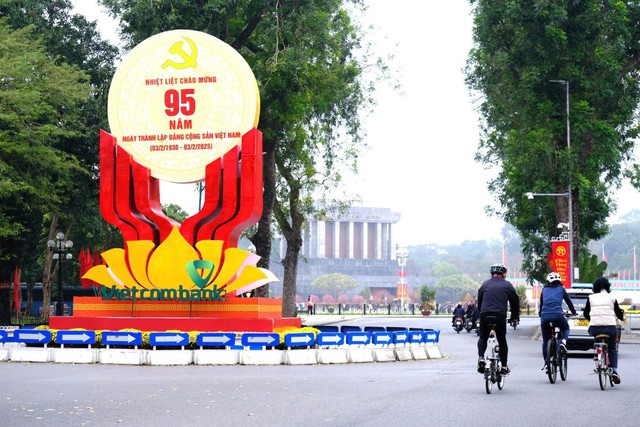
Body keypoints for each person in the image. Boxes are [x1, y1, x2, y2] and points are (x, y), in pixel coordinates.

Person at [476, 263, 520, 375]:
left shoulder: (484, 284)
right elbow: (515, 302)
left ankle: (481, 357)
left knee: (483, 337)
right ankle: (504, 366)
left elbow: (479, 301)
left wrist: (481, 314)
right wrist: (514, 317)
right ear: (504, 274)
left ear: (492, 274)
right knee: (502, 340)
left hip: (485, 315)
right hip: (499, 316)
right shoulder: (507, 285)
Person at [583, 277, 624, 384]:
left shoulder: (591, 297)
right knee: (612, 349)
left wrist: (592, 320)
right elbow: (619, 313)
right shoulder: (612, 298)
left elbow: (585, 313)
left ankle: (598, 353)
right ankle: (614, 371)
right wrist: (621, 316)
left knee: (596, 338)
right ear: (608, 287)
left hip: (595, 328)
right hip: (610, 328)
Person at [539, 271, 577, 371]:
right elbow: (568, 301)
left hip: (545, 316)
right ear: (559, 281)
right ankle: (563, 342)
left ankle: (547, 364)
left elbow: (541, 304)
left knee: (545, 341)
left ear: (548, 281)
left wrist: (541, 315)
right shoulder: (561, 289)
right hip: (558, 315)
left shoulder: (544, 290)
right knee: (565, 328)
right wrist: (573, 312)